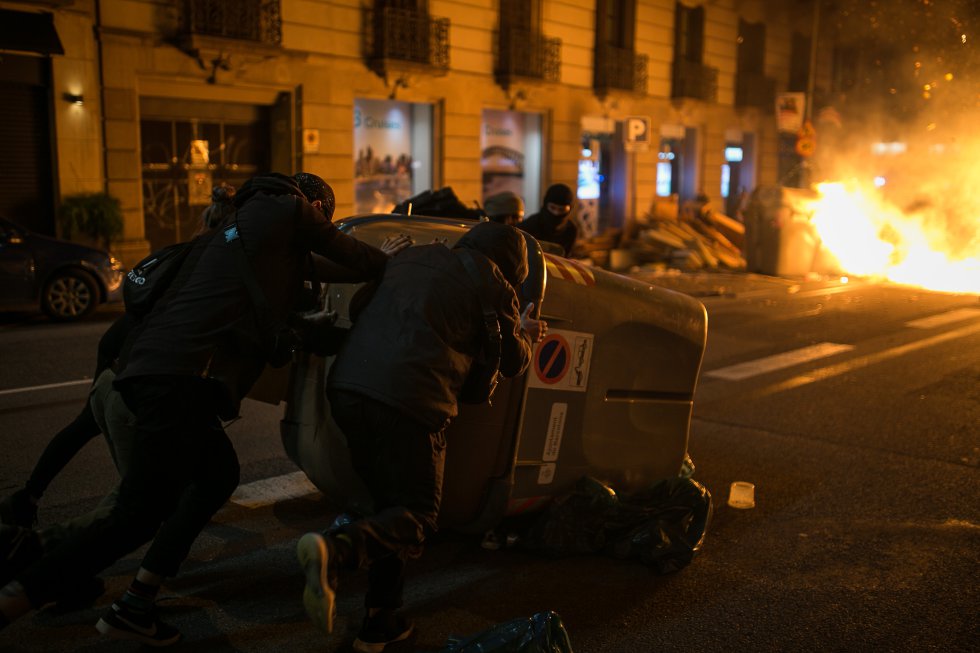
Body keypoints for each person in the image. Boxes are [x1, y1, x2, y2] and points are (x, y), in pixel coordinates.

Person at [0, 172, 409, 645]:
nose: (323, 224)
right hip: (179, 382)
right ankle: (18, 595)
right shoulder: (288, 210)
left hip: (155, 373)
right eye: (324, 217)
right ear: (315, 207)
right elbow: (353, 257)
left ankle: (135, 602)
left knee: (216, 475)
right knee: (137, 513)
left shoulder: (241, 228)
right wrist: (392, 261)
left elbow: (318, 273)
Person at [294, 221, 546, 652]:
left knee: (389, 511)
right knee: (417, 515)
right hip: (408, 402)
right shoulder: (496, 285)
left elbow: (360, 308)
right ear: (511, 267)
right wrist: (525, 331)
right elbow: (511, 361)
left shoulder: (413, 256)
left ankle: (381, 622)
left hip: (348, 388)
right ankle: (337, 551)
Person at [518, 183, 578, 256]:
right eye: (552, 208)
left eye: (562, 210)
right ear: (546, 205)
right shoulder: (529, 225)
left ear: (570, 209)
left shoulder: (571, 230)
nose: (556, 213)